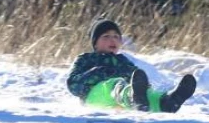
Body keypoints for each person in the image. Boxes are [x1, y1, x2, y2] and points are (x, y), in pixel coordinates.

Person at [66, 19, 197, 112]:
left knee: (144, 93)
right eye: (106, 36)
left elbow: (138, 82)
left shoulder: (123, 61)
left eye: (116, 37)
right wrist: (99, 72)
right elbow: (73, 85)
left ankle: (166, 103)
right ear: (95, 43)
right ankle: (133, 99)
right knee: (114, 84)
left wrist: (144, 87)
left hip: (120, 102)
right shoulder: (86, 59)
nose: (112, 40)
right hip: (94, 98)